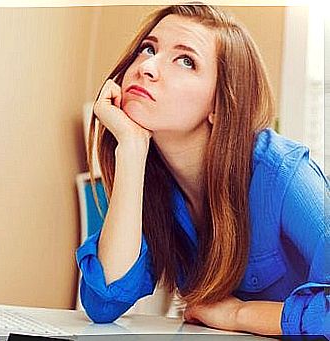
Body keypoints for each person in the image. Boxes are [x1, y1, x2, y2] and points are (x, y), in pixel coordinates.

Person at [75, 3, 329, 337]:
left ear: (220, 106)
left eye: (186, 60)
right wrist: (132, 150)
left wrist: (240, 314)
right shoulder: (157, 184)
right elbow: (104, 302)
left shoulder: (284, 176)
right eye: (148, 48)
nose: (147, 67)